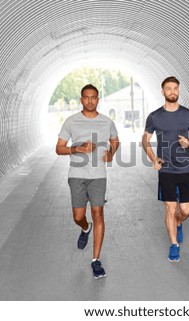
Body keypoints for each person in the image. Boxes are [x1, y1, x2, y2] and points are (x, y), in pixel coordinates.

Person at [56, 84, 119, 279]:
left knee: (98, 212)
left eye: (93, 97)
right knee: (78, 216)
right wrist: (77, 149)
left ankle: (95, 260)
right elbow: (59, 148)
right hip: (77, 174)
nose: (90, 100)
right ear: (81, 99)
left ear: (98, 99)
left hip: (98, 175)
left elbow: (115, 140)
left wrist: (111, 153)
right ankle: (85, 227)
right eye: (86, 97)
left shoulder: (106, 122)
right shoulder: (71, 121)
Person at [142, 76, 189, 262]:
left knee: (185, 210)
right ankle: (174, 245)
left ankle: (179, 222)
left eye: (175, 88)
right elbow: (145, 140)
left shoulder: (188, 114)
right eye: (168, 88)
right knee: (170, 207)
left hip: (185, 169)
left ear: (179, 90)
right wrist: (153, 159)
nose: (172, 91)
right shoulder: (154, 116)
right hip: (166, 170)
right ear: (162, 92)